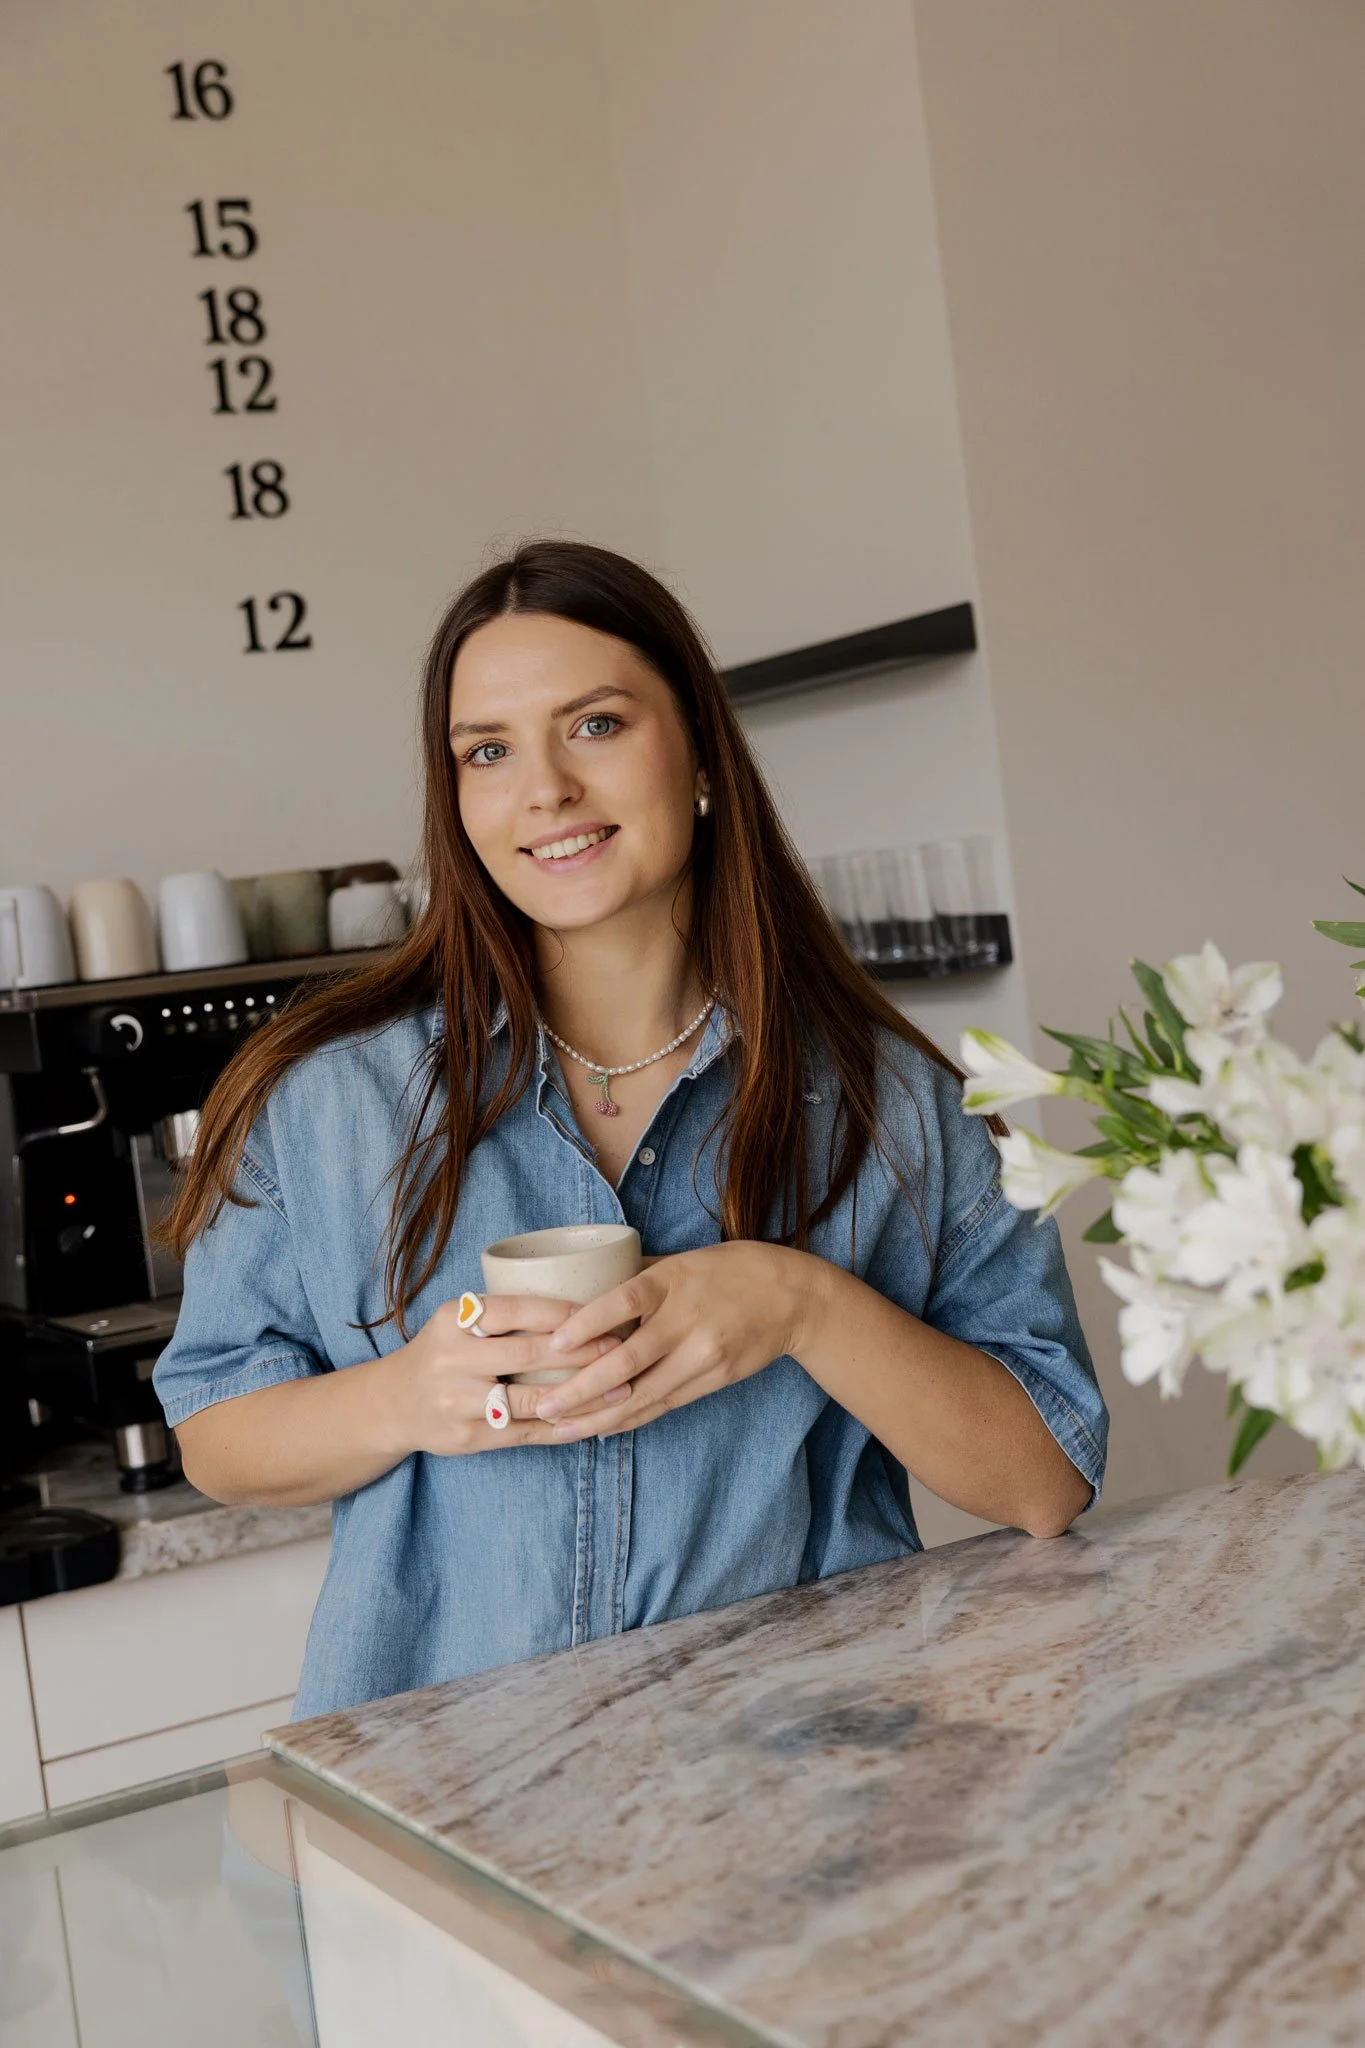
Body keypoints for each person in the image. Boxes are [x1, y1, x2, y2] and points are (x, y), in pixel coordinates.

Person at [156, 539, 1107, 1719]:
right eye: (488, 751)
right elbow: (214, 1431)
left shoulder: (889, 1102)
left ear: (701, 752)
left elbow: (1045, 1480)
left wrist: (798, 1303)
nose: (543, 788)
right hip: (453, 1793)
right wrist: (407, 1398)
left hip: (810, 1794)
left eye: (595, 724)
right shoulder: (328, 1096)